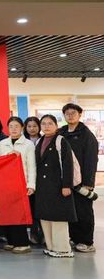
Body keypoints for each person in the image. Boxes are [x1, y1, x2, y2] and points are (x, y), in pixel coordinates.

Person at [35, 114, 77, 258]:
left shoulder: (61, 141)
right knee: (46, 216)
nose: (46, 126)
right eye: (43, 124)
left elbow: (68, 164)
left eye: (50, 123)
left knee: (59, 218)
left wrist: (67, 185)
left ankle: (63, 249)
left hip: (58, 185)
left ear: (56, 126)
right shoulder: (40, 141)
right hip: (43, 186)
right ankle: (51, 247)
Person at [59, 103, 99, 253]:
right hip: (66, 180)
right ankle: (74, 238)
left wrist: (88, 182)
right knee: (70, 210)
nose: (70, 116)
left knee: (84, 211)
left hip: (82, 181)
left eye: (73, 113)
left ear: (80, 114)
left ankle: (86, 241)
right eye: (67, 113)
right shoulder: (61, 132)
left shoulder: (86, 135)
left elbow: (91, 160)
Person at [0, 117, 37, 254]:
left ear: (22, 128)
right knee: (8, 214)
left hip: (22, 183)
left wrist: (31, 185)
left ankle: (22, 243)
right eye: (11, 126)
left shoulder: (28, 144)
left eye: (16, 126)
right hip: (6, 184)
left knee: (19, 214)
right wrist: (7, 155)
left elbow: (32, 166)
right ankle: (11, 241)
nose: (13, 129)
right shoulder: (2, 143)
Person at [22, 115, 43, 243]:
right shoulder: (22, 141)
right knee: (29, 207)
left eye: (35, 126)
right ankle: (31, 234)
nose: (32, 128)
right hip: (27, 179)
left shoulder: (43, 140)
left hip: (41, 178)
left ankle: (40, 234)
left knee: (39, 207)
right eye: (29, 126)